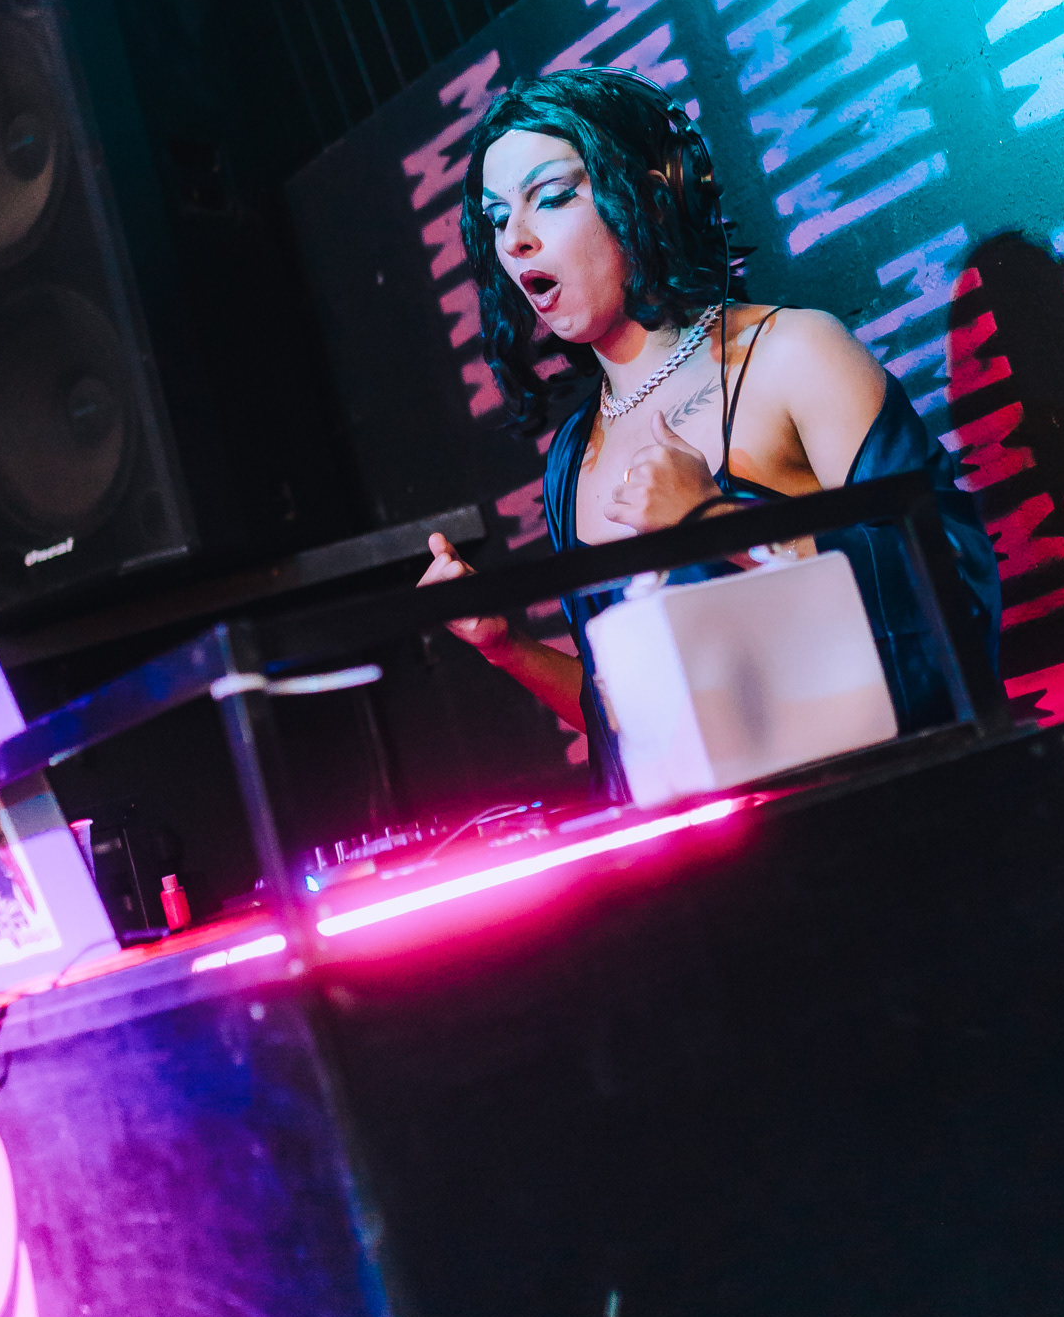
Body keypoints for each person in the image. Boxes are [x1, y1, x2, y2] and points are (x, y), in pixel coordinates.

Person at [419, 69, 1000, 803]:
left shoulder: (793, 355)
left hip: (887, 821)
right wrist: (508, 649)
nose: (518, 240)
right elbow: (631, 733)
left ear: (651, 195)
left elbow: (953, 592)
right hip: (727, 861)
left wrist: (714, 520)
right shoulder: (570, 459)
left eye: (554, 196)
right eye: (497, 218)